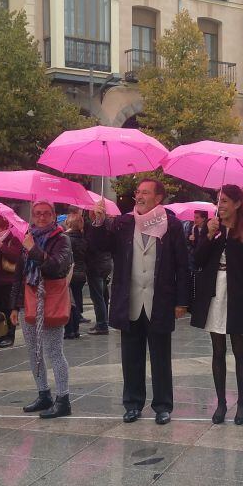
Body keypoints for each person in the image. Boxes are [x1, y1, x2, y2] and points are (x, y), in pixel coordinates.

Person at [88, 178, 190, 425]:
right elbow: (100, 246)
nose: (139, 196)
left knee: (160, 357)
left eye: (145, 192)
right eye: (138, 192)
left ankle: (163, 406)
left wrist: (182, 301)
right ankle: (132, 404)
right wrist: (99, 222)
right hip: (130, 300)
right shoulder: (124, 223)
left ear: (159, 198)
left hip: (160, 301)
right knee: (131, 356)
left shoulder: (172, 225)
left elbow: (183, 266)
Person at [191, 185, 243, 424]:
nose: (219, 205)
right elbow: (198, 260)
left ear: (237, 204)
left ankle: (241, 403)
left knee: (239, 349)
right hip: (214, 292)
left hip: (236, 293)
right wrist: (208, 236)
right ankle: (221, 402)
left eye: (224, 201)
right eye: (218, 201)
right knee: (217, 350)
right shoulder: (212, 227)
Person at [11, 201, 74, 418]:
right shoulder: (29, 237)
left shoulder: (61, 239)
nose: (42, 217)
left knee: (54, 351)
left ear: (54, 215)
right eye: (37, 214)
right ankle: (43, 393)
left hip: (51, 301)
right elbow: (19, 274)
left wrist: (34, 250)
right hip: (28, 301)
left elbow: (57, 266)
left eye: (46, 214)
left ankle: (63, 399)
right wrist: (13, 306)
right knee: (33, 353)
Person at [0, 216, 22, 348]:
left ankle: (10, 335)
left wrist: (0, 245)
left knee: (9, 309)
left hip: (8, 281)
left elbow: (15, 257)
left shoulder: (12, 239)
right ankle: (1, 334)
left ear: (4, 227)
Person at [63, 210, 87, 340]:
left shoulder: (65, 238)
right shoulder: (83, 239)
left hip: (69, 274)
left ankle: (69, 330)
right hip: (81, 273)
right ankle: (76, 329)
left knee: (68, 302)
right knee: (77, 301)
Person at [86, 229, 111, 336]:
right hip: (105, 265)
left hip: (96, 267)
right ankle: (103, 321)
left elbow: (90, 250)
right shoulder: (106, 230)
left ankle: (102, 324)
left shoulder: (93, 233)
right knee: (103, 295)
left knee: (97, 297)